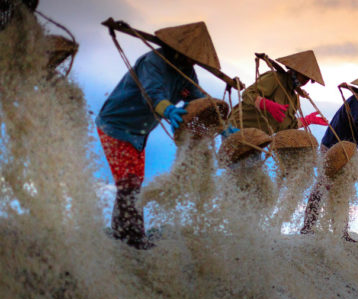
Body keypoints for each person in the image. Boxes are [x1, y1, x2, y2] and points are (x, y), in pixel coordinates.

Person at [96, 22, 218, 249]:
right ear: (175, 50)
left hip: (140, 132)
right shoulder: (153, 63)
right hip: (116, 124)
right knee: (129, 183)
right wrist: (168, 110)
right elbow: (152, 95)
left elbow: (197, 98)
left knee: (132, 183)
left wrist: (221, 125)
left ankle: (124, 234)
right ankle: (132, 239)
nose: (191, 62)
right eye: (188, 57)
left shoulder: (186, 71)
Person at [300, 70, 358, 242]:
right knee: (323, 184)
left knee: (344, 190)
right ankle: (308, 226)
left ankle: (341, 231)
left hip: (347, 151)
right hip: (331, 146)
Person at [223, 50, 328, 137]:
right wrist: (267, 104)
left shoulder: (294, 98)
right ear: (294, 70)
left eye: (308, 79)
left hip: (257, 137)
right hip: (237, 128)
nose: (305, 81)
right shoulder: (275, 78)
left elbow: (287, 126)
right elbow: (247, 93)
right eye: (304, 77)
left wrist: (307, 120)